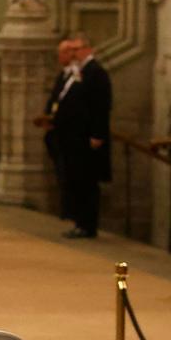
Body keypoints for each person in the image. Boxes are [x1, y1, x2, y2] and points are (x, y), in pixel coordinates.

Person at [55, 32, 111, 238]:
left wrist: (97, 134)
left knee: (86, 182)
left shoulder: (96, 72)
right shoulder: (79, 71)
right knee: (75, 181)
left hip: (86, 138)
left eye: (76, 49)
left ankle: (87, 224)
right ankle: (79, 221)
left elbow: (100, 106)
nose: (73, 54)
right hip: (73, 137)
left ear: (88, 49)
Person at [43, 37, 77, 221]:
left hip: (70, 133)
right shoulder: (63, 75)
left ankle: (72, 212)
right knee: (62, 174)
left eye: (63, 52)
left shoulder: (79, 76)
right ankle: (66, 211)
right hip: (57, 132)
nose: (60, 56)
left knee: (70, 176)